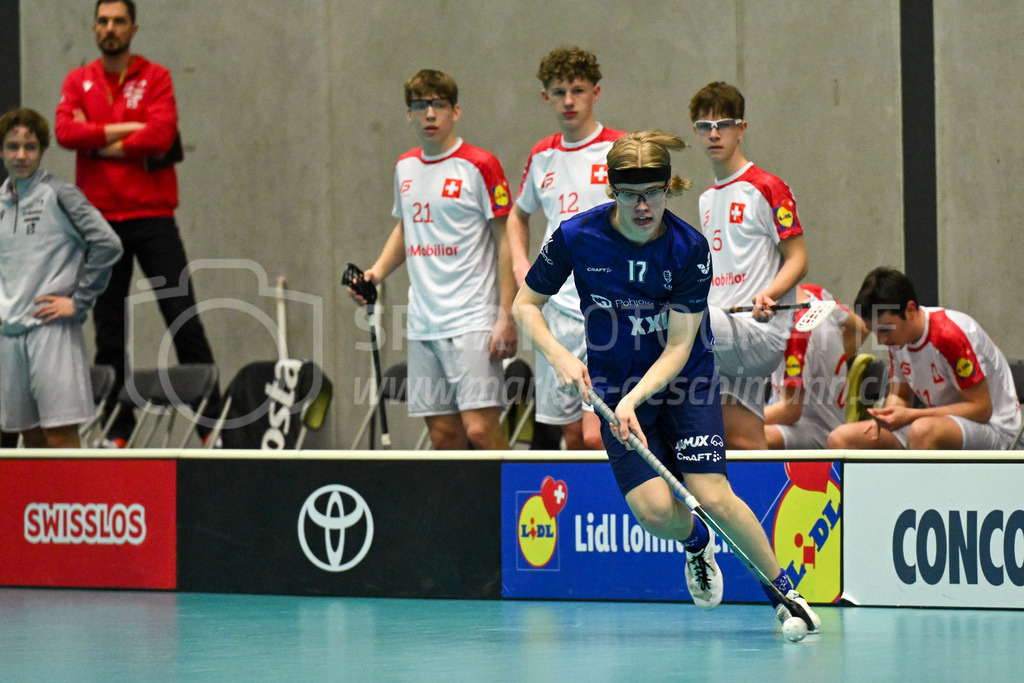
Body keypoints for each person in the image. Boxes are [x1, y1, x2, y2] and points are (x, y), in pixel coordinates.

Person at [513, 130, 820, 632]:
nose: (642, 205)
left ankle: (786, 595)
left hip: (684, 382)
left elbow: (679, 346)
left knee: (714, 493)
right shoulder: (576, 237)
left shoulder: (688, 249)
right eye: (631, 194)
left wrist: (635, 398)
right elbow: (525, 306)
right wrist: (561, 359)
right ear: (612, 190)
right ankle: (696, 541)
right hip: (613, 386)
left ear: (667, 188)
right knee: (655, 513)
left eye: (653, 192)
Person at [54, 0, 220, 447]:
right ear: (94, 27)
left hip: (152, 218)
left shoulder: (156, 77)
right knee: (109, 332)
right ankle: (117, 432)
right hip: (100, 224)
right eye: (103, 21)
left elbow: (161, 134)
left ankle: (214, 429)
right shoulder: (78, 80)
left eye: (119, 21)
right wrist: (126, 129)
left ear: (133, 28)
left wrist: (100, 138)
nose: (110, 28)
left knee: (182, 318)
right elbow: (67, 133)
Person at [347, 69, 517, 450]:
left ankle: (511, 507)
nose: (429, 114)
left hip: (473, 318)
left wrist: (507, 313)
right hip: (424, 322)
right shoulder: (405, 167)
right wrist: (375, 273)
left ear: (455, 111)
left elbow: (507, 239)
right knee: (442, 434)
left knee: (480, 430)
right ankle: (465, 510)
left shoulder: (480, 164)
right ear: (408, 114)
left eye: (438, 105)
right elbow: (406, 228)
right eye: (420, 106)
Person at [507, 47, 624, 450]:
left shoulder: (619, 150)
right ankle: (586, 512)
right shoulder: (542, 155)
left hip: (608, 310)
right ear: (546, 97)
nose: (568, 101)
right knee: (571, 435)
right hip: (555, 311)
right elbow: (516, 215)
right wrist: (522, 263)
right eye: (559, 92)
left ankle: (622, 510)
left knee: (598, 434)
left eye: (577, 90)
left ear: (596, 92)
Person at [689, 81, 809, 449]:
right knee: (741, 440)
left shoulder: (768, 187)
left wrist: (770, 293)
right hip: (723, 335)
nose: (714, 134)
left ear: (741, 129)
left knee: (675, 319)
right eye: (704, 126)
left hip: (758, 332)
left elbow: (799, 259)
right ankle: (762, 506)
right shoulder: (707, 199)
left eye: (723, 124)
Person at [0, 107, 123, 447]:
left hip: (51, 330)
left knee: (59, 436)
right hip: (9, 335)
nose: (21, 155)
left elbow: (108, 244)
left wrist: (79, 302)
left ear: (42, 150)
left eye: (30, 146)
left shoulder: (60, 195)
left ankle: (77, 502)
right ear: (2, 151)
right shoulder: (0, 202)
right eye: (12, 146)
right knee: (30, 437)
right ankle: (40, 504)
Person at [828, 267, 1021, 450]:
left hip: (996, 430)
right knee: (841, 439)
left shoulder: (949, 335)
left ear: (910, 310)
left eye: (886, 329)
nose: (881, 339)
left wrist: (913, 415)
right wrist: (888, 416)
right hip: (935, 423)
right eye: (875, 331)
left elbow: (981, 409)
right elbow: (901, 395)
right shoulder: (897, 339)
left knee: (922, 431)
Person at [764, 284, 869, 449]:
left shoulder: (796, 332)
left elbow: (790, 410)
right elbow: (859, 329)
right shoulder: (815, 293)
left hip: (819, 432)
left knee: (741, 434)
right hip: (813, 420)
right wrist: (829, 366)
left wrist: (737, 421)